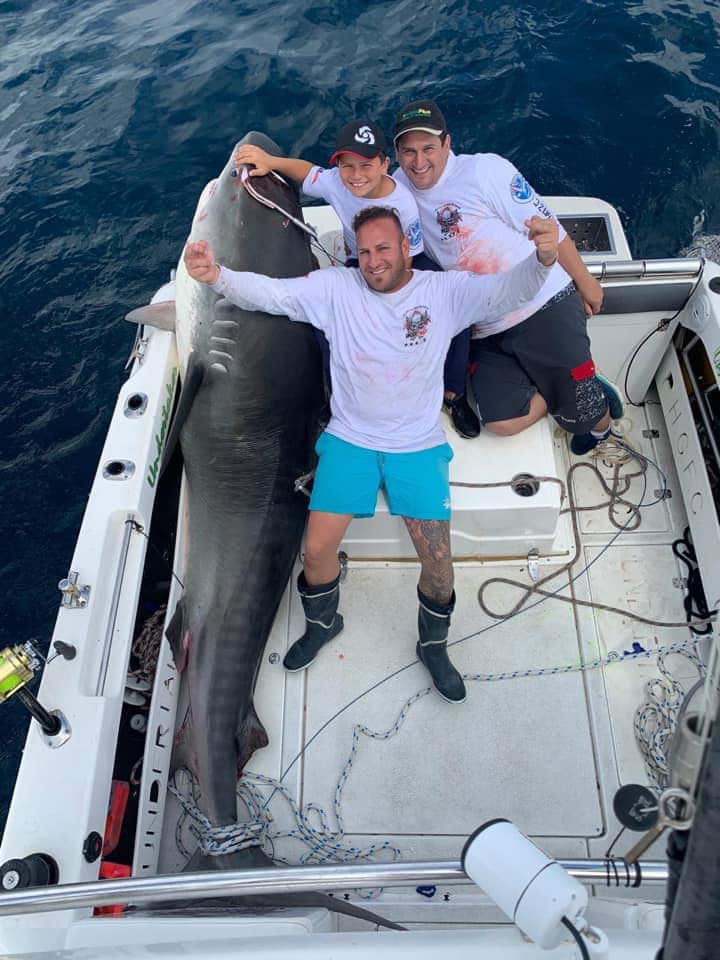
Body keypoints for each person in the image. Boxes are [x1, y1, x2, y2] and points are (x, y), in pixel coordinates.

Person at [183, 207, 559, 704]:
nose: (373, 261)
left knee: (441, 566)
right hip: (350, 439)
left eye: (383, 248)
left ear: (407, 248)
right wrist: (218, 277)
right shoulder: (335, 288)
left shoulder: (443, 293)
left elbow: (510, 290)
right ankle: (323, 623)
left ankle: (434, 645)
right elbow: (274, 295)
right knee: (315, 551)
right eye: (363, 251)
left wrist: (543, 258)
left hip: (416, 446)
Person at [393, 99, 624, 456]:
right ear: (396, 153)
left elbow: (549, 226)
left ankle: (600, 429)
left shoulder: (484, 171)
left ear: (447, 144)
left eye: (428, 148)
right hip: (484, 321)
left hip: (542, 299)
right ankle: (555, 385)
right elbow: (349, 183)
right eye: (408, 151)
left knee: (586, 415)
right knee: (500, 422)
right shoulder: (396, 189)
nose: (419, 161)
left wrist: (585, 280)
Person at [234, 121, 477, 437]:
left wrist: (386, 301)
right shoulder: (336, 182)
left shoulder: (402, 204)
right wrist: (272, 162)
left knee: (454, 307)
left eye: (366, 165)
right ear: (338, 167)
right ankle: (335, 396)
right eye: (348, 166)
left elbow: (407, 262)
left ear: (384, 164)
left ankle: (454, 394)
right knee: (323, 318)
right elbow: (307, 172)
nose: (357, 175)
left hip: (405, 262)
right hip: (359, 262)